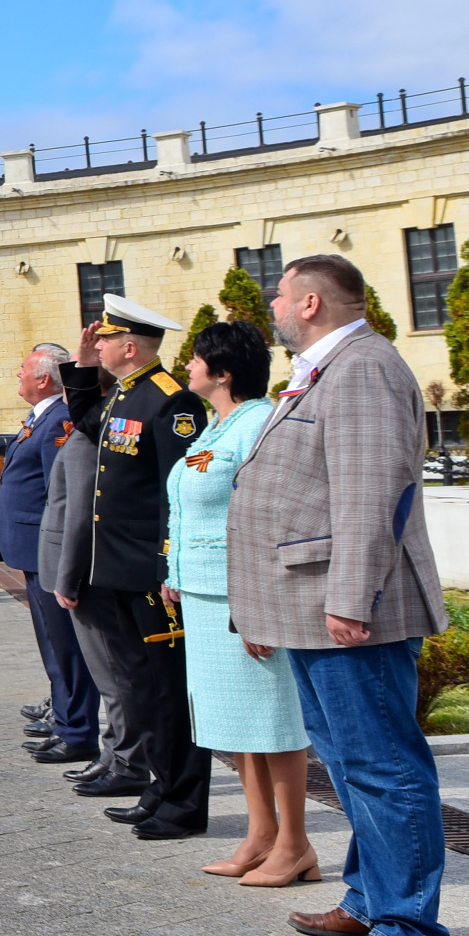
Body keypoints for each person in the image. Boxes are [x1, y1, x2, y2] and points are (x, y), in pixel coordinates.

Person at [231, 254, 451, 936]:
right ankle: (369, 898)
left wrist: (352, 598)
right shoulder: (329, 368)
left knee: (383, 767)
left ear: (311, 304)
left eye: (280, 294)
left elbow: (370, 491)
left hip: (348, 609)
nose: (271, 305)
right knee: (353, 765)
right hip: (310, 605)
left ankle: (408, 929)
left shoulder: (361, 368)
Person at [161, 320, 311, 885]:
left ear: (222, 373)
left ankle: (295, 843)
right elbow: (191, 507)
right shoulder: (215, 426)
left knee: (273, 720)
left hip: (241, 595)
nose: (188, 365)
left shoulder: (259, 425)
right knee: (238, 722)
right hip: (204, 595)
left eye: (197, 359)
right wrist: (175, 572)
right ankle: (261, 834)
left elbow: (267, 519)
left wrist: (259, 605)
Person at [61, 292, 214, 843]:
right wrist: (81, 369)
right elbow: (86, 423)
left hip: (151, 574)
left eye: (103, 340)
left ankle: (183, 803)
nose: (96, 345)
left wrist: (171, 564)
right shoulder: (124, 394)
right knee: (138, 689)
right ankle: (159, 789)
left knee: (167, 691)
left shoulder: (172, 402)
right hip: (116, 570)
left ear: (129, 346)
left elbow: (181, 492)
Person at [0, 345, 94, 766]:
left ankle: (77, 728)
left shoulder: (58, 419)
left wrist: (64, 556)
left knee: (64, 646)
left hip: (46, 550)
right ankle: (65, 719)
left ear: (43, 379)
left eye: (24, 369)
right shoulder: (41, 418)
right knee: (53, 645)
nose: (17, 375)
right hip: (31, 549)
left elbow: (64, 492)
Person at [42, 424, 146, 797]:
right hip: (80, 570)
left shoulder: (90, 433)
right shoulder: (86, 429)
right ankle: (115, 754)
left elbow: (81, 511)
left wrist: (68, 577)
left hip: (88, 573)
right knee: (108, 677)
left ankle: (129, 763)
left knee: (114, 677)